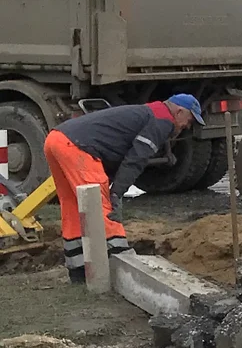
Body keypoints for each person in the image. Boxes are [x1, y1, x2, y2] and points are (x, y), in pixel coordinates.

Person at [44, 94, 203, 283]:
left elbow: (116, 153)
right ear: (179, 111)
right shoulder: (162, 121)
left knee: (72, 206)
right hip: (78, 148)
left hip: (56, 140)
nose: (187, 126)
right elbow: (135, 160)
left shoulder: (147, 112)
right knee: (102, 206)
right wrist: (117, 193)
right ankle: (129, 269)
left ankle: (78, 271)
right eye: (189, 120)